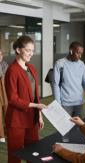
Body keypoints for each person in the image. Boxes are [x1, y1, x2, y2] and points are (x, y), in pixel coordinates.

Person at [5, 35, 46, 163]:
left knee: (34, 152)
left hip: (32, 118)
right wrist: (35, 106)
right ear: (18, 49)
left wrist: (39, 115)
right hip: (17, 120)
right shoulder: (12, 70)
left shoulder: (31, 68)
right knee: (15, 154)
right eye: (28, 50)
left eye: (33, 50)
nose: (31, 54)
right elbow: (12, 99)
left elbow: (35, 95)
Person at [53, 41, 85, 142]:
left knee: (79, 127)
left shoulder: (81, 64)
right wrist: (57, 102)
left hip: (79, 101)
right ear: (71, 51)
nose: (80, 56)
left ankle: (77, 145)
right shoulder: (60, 64)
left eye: (81, 53)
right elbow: (55, 84)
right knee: (64, 129)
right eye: (77, 53)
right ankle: (64, 145)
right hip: (65, 102)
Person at [0, 49, 8, 142]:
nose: (0, 56)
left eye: (1, 54)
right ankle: (1, 135)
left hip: (5, 92)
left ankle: (7, 132)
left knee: (7, 112)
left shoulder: (5, 64)